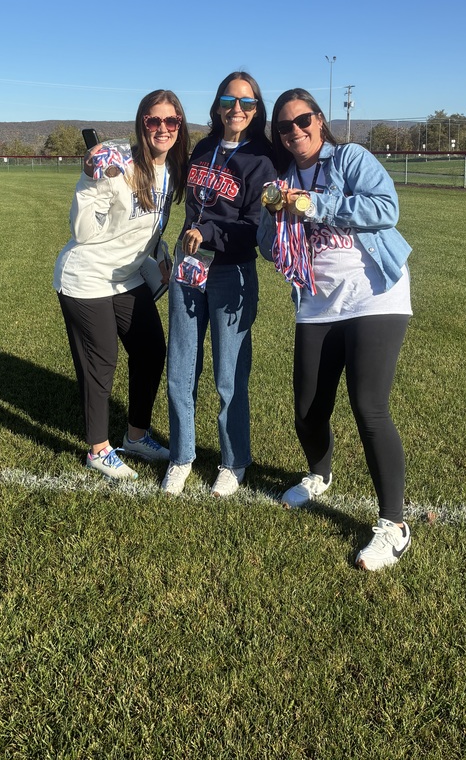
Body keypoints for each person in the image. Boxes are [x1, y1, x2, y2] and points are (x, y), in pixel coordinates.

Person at [258, 89, 413, 570]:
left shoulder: (350, 158)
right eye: (285, 127)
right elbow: (269, 247)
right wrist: (274, 215)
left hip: (375, 295)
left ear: (320, 121)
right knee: (307, 411)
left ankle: (394, 525)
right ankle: (319, 476)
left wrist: (314, 204)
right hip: (319, 304)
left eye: (303, 120)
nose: (295, 131)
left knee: (368, 405)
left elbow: (386, 208)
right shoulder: (279, 178)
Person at [54, 90, 189, 480]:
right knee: (102, 362)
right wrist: (90, 179)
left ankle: (135, 436)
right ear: (141, 123)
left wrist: (157, 256)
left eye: (171, 121)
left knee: (150, 351)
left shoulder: (173, 169)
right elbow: (81, 231)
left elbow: (146, 225)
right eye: (153, 120)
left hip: (127, 277)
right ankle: (98, 449)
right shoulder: (116, 163)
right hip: (87, 277)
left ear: (179, 127)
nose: (162, 129)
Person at [162, 72, 276, 497]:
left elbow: (256, 228)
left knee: (228, 376)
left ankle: (233, 461)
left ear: (257, 109)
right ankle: (182, 456)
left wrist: (209, 235)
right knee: (180, 368)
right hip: (190, 266)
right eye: (230, 99)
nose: (237, 109)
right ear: (217, 104)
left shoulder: (262, 161)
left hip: (232, 271)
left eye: (247, 102)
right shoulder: (203, 148)